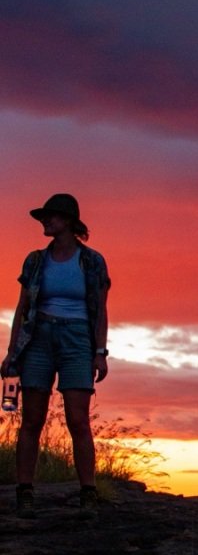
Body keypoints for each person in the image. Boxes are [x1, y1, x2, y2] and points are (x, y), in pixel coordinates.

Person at [1, 194, 111, 518]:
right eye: (44, 218)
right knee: (31, 418)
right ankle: (24, 491)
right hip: (39, 338)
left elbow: (100, 311)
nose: (45, 222)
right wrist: (11, 353)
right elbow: (23, 308)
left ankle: (88, 492)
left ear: (69, 222)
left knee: (78, 419)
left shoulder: (92, 261)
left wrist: (100, 352)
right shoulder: (35, 261)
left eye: (51, 217)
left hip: (78, 339)